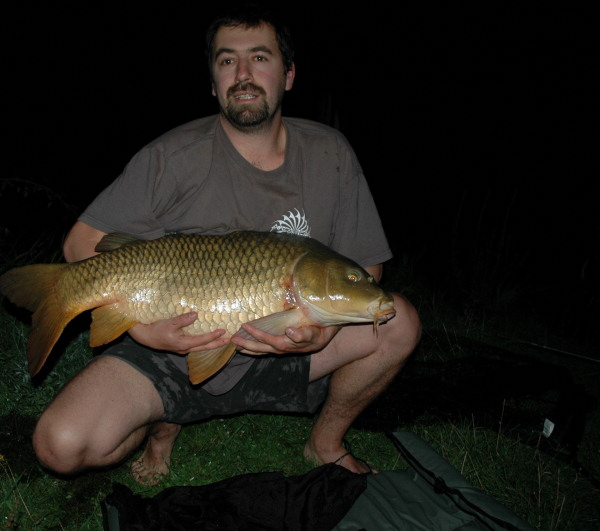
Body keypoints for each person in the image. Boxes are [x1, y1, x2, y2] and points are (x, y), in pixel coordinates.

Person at [33, 5, 421, 485]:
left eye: (259, 57)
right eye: (227, 61)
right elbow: (80, 244)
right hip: (174, 352)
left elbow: (366, 267)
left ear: (289, 74)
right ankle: (163, 423)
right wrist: (145, 331)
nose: (242, 74)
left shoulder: (330, 153)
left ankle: (325, 443)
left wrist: (324, 330)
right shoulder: (170, 157)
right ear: (213, 82)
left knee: (399, 322)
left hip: (290, 348)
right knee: (60, 444)